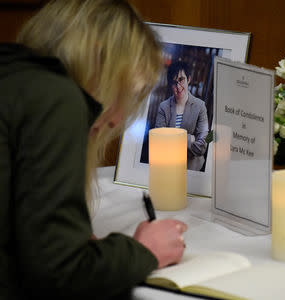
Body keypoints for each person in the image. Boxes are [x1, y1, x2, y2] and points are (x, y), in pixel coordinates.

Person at [0, 1, 187, 299]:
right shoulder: (57, 97)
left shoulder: (14, 78)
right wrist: (143, 250)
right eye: (125, 90)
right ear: (97, 57)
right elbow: (63, 275)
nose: (115, 120)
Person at [155, 61, 209, 171]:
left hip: (192, 169)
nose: (178, 87)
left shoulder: (200, 106)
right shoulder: (163, 107)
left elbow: (203, 146)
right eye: (174, 82)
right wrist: (191, 139)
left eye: (181, 80)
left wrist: (171, 138)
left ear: (188, 79)